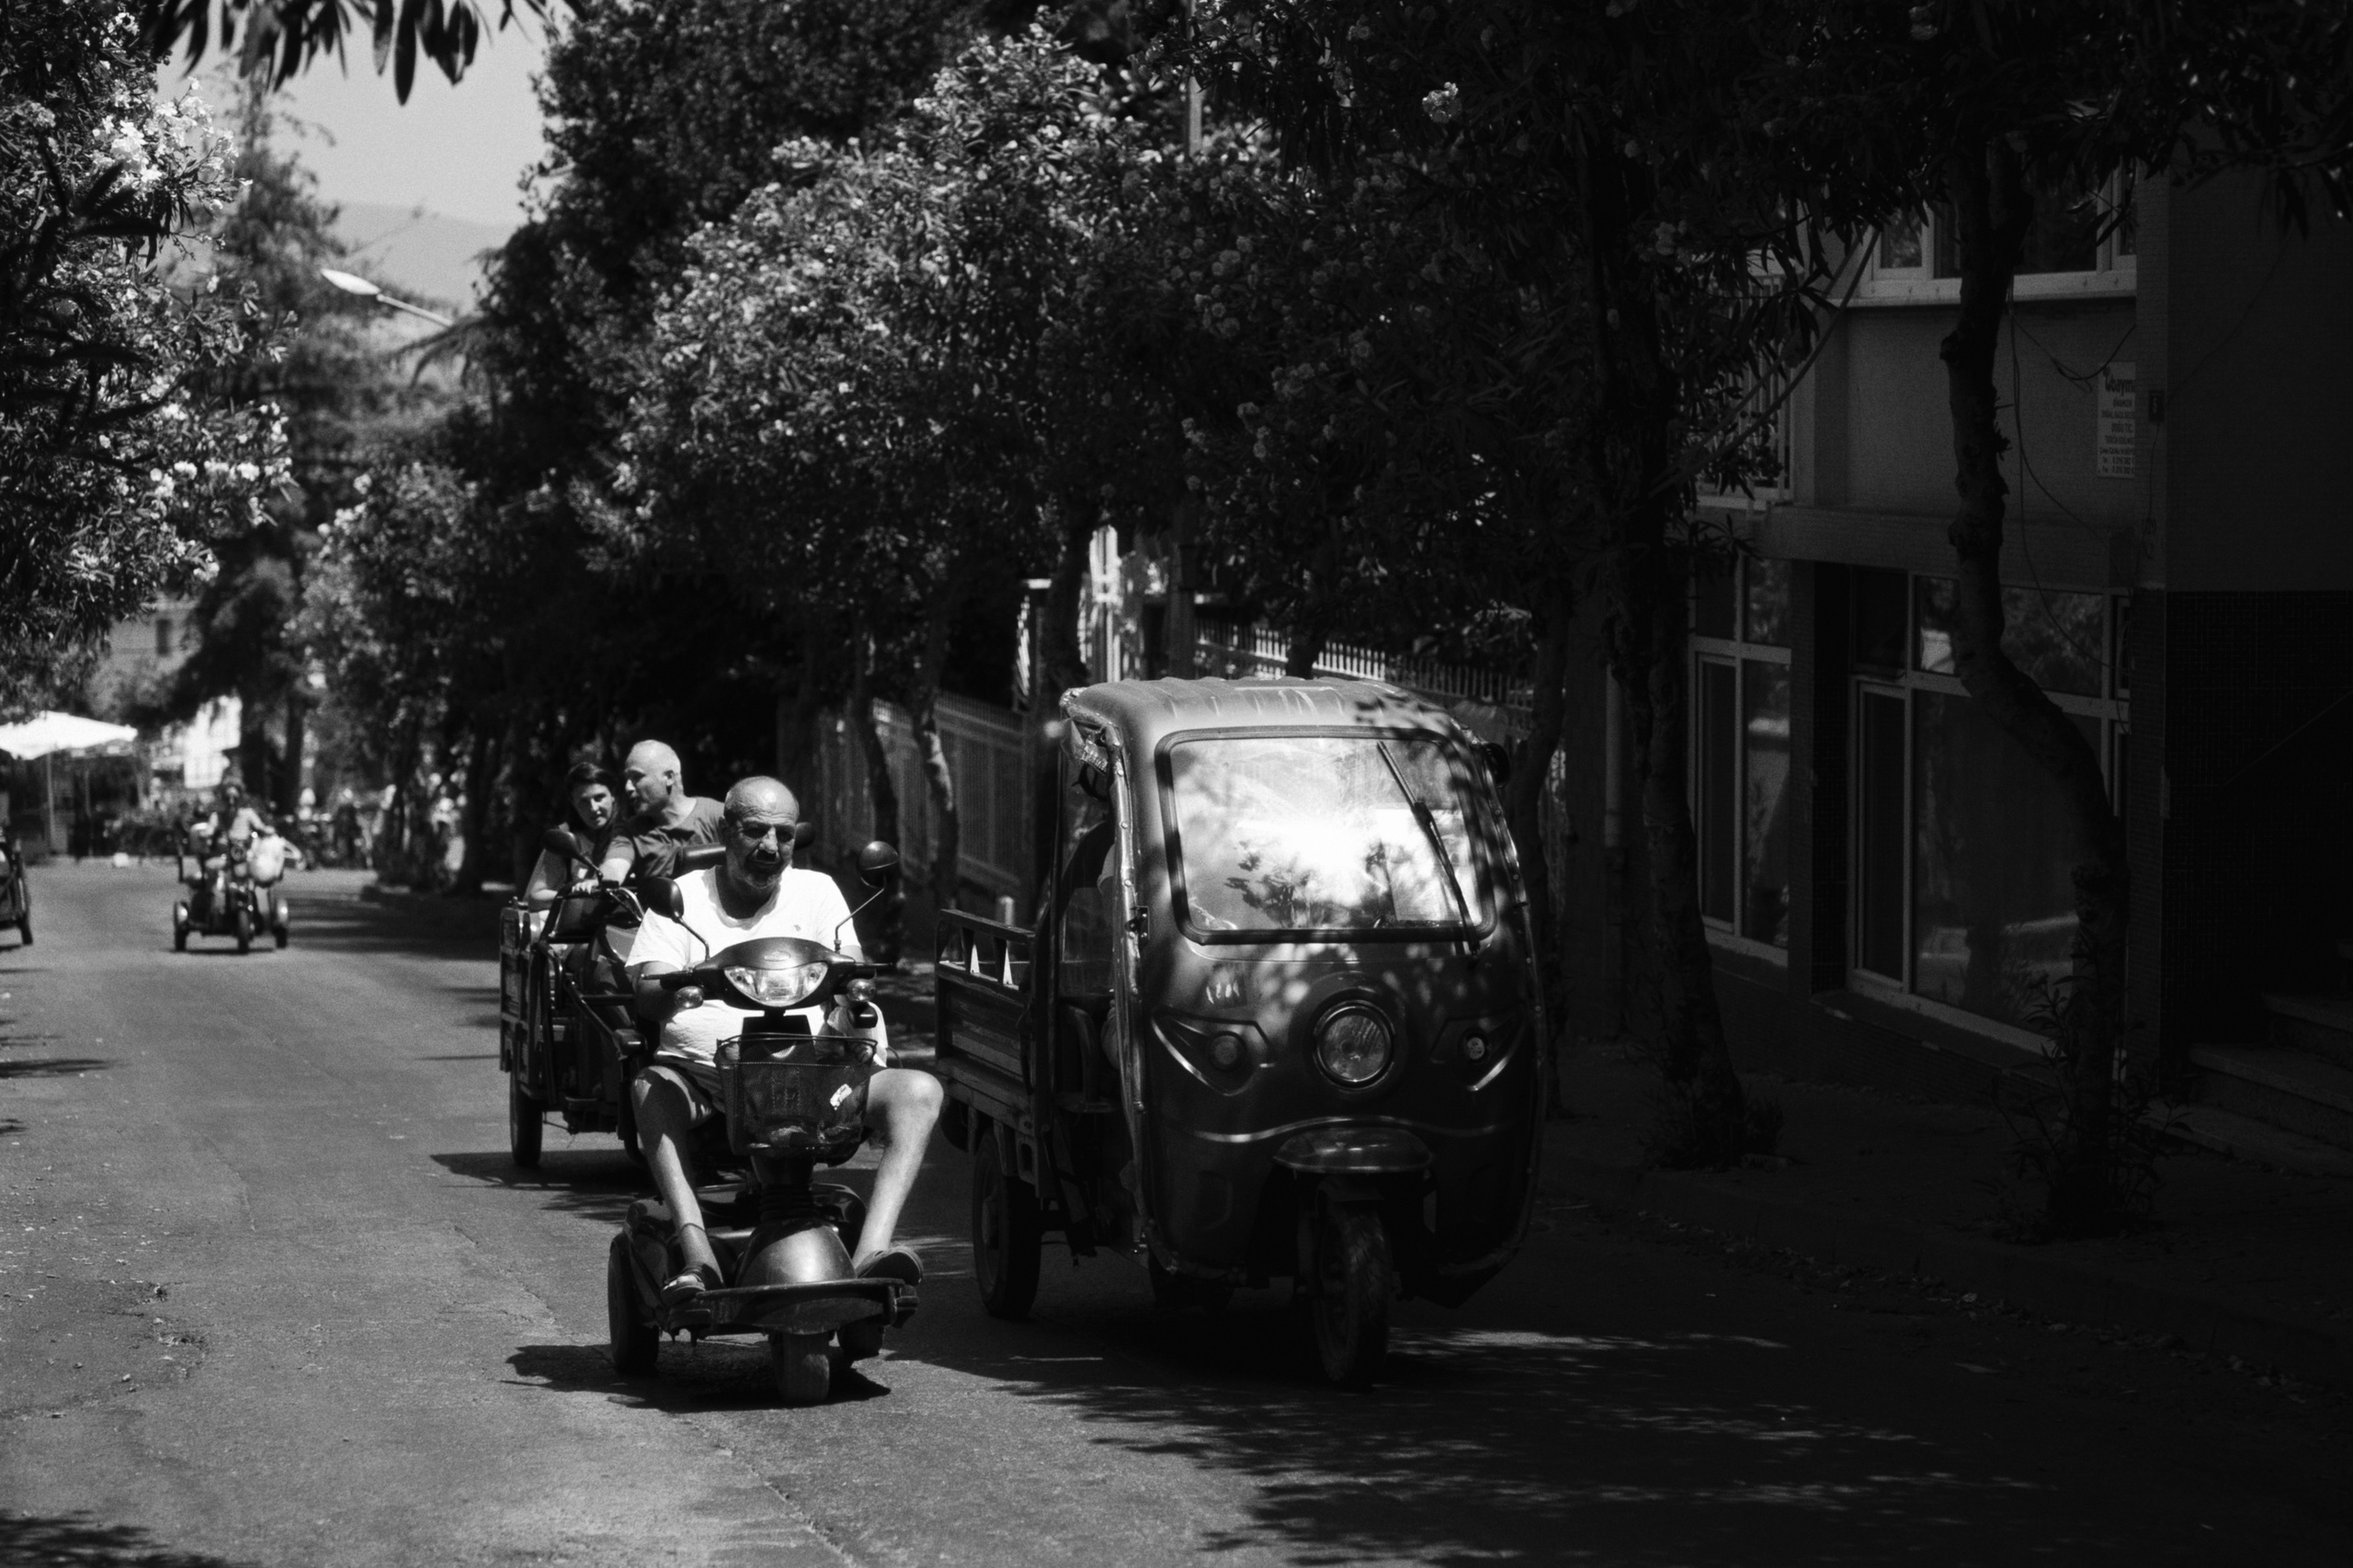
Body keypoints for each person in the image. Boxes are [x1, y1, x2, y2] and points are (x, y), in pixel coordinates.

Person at [628, 777, 939, 1303]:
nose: (770, 847)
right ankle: (696, 1250)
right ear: (727, 832)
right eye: (754, 831)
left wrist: (855, 989)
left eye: (784, 834)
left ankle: (873, 1252)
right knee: (648, 1089)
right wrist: (683, 983)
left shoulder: (818, 892)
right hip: (709, 1084)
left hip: (816, 1080)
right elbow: (648, 988)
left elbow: (853, 974)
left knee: (920, 1091)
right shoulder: (681, 897)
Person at [597, 739, 725, 885]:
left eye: (637, 777)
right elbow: (615, 866)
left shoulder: (719, 817)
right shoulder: (630, 831)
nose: (628, 788)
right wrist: (600, 880)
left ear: (669, 778)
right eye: (627, 779)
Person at [521, 762, 624, 907]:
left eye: (599, 797)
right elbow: (535, 897)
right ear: (573, 803)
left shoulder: (631, 833)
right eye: (584, 802)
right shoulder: (564, 837)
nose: (593, 808)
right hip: (577, 926)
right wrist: (574, 894)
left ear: (613, 795)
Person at [188, 779, 268, 922]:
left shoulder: (248, 814)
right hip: (222, 857)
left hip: (245, 857)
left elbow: (260, 826)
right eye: (227, 798)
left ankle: (261, 910)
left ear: (240, 798)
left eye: (234, 798)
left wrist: (266, 830)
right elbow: (210, 829)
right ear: (223, 799)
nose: (231, 802)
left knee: (260, 874)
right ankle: (211, 907)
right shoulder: (217, 816)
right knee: (210, 869)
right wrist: (206, 833)